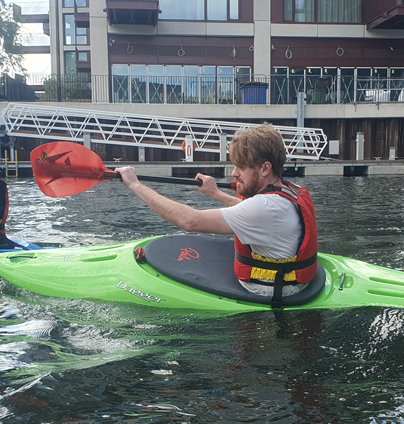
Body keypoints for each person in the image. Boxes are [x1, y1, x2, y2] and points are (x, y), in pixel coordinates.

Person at [116, 124, 318, 304]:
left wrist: (135, 185)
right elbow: (250, 213)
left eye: (241, 167)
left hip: (269, 289)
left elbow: (189, 221)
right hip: (291, 278)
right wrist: (215, 193)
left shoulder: (263, 207)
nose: (233, 173)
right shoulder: (289, 191)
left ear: (265, 168)